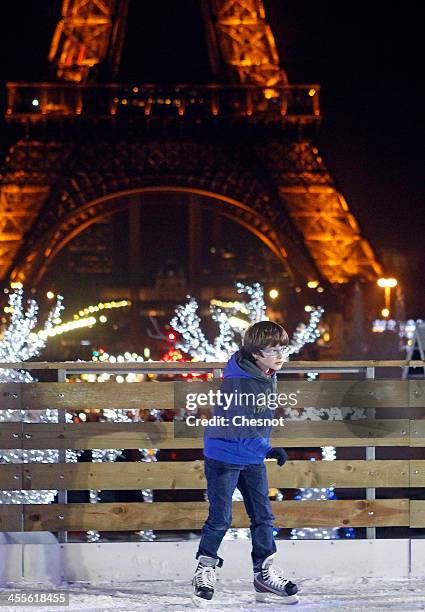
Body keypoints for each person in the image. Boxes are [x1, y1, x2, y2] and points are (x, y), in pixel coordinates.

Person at [192, 321, 299, 605]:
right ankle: (205, 569)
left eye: (283, 349)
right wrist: (270, 449)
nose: (280, 355)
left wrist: (262, 447)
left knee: (263, 516)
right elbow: (241, 425)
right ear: (255, 354)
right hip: (224, 455)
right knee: (221, 518)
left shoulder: (265, 373)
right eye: (273, 350)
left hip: (251, 454)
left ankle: (263, 574)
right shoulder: (242, 382)